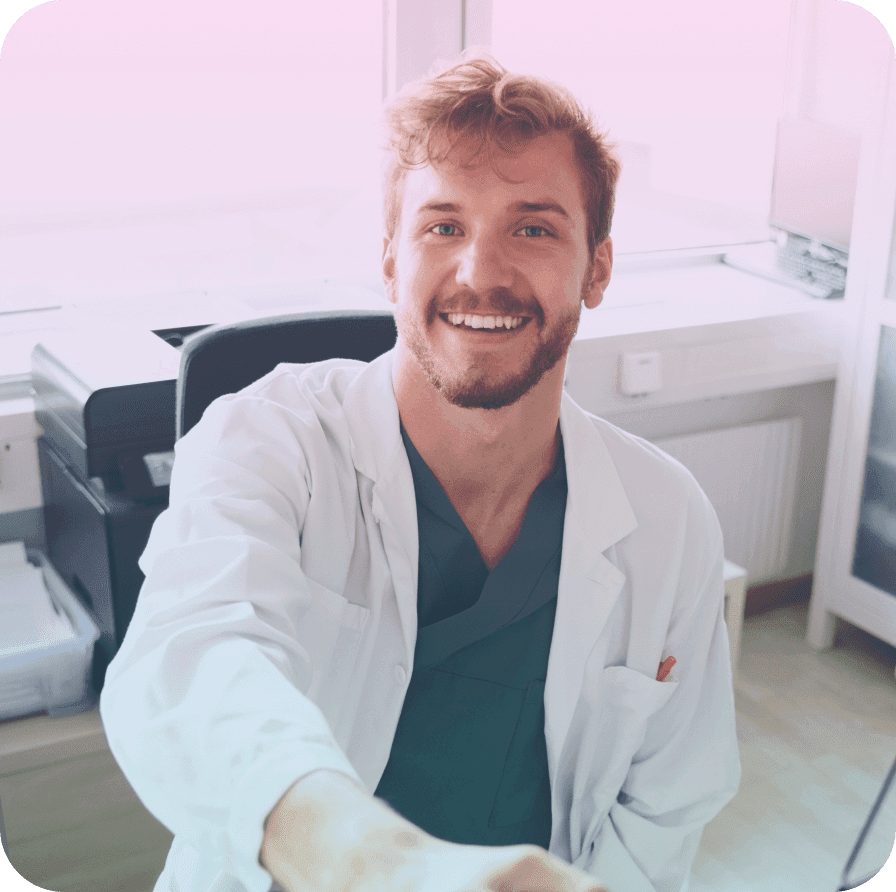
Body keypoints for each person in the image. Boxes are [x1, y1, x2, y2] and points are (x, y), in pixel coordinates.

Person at [99, 51, 741, 892]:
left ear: (597, 269)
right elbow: (194, 659)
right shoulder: (268, 438)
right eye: (443, 227)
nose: (482, 273)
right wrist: (371, 862)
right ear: (390, 261)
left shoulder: (667, 514)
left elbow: (669, 802)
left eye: (534, 228)